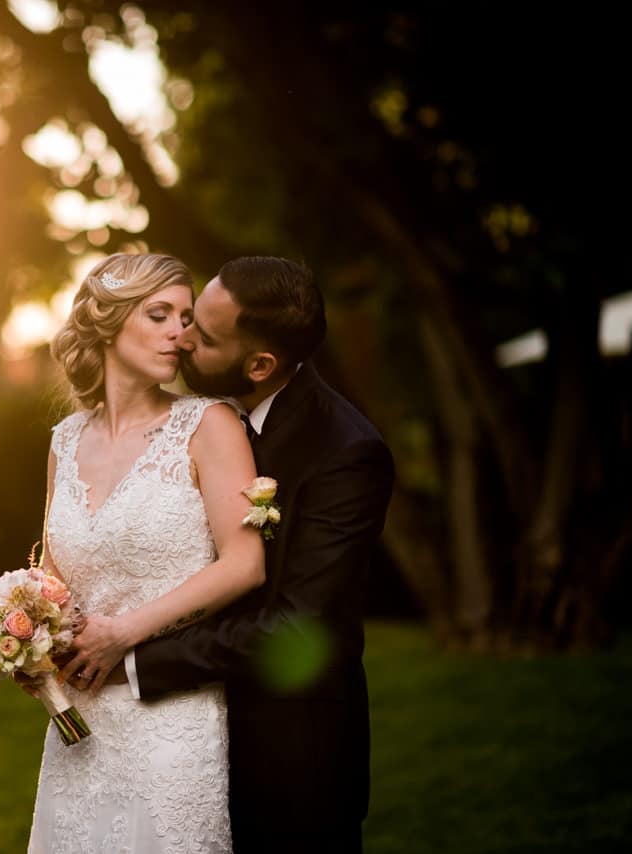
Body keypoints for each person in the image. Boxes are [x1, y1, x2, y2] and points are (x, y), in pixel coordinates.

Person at [62, 256, 395, 853]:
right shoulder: (187, 420)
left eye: (201, 332)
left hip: (288, 758)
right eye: (181, 316)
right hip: (165, 736)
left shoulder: (346, 453)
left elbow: (296, 628)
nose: (181, 338)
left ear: (259, 364)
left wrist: (135, 660)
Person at [27, 253, 266, 853]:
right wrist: (27, 636)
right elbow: (54, 577)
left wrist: (123, 633)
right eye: (159, 314)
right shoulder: (65, 439)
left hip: (171, 721)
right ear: (107, 324)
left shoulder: (210, 424)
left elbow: (244, 563)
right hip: (78, 724)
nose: (179, 332)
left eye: (186, 319)